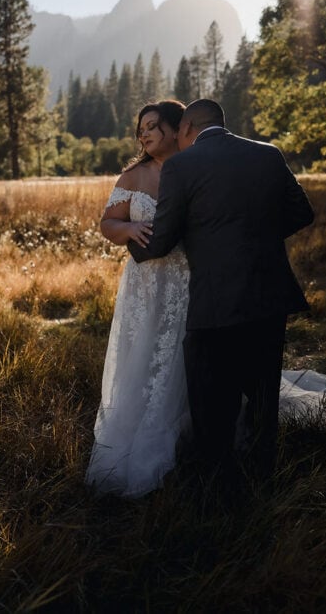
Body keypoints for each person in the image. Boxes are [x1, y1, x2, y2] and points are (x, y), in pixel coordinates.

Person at [127, 99, 315, 485]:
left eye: (179, 131)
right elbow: (302, 212)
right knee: (263, 394)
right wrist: (252, 240)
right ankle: (264, 476)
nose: (178, 138)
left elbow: (160, 240)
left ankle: (217, 483)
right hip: (268, 294)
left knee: (211, 397)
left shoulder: (182, 165)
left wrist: (130, 245)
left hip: (215, 299)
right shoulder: (267, 154)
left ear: (189, 127)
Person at [85, 100, 193, 498]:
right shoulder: (133, 177)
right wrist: (128, 227)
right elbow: (106, 223)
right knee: (143, 354)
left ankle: (190, 438)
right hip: (146, 284)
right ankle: (141, 439)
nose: (144, 135)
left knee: (184, 355)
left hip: (188, 280)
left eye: (152, 126)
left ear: (175, 127)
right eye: (140, 130)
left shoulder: (195, 167)